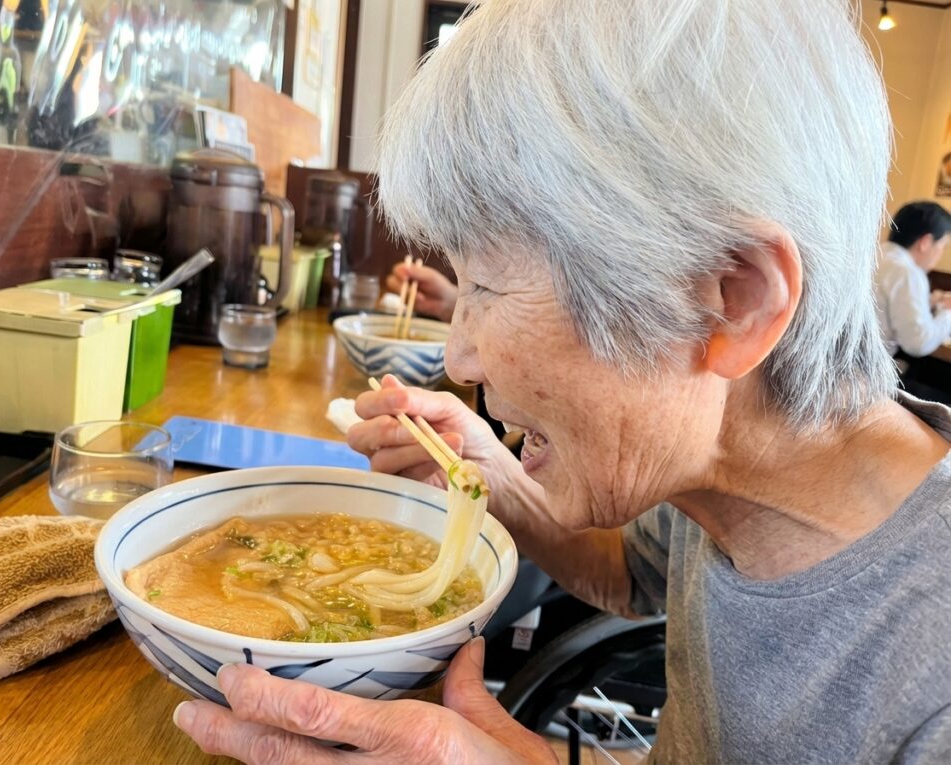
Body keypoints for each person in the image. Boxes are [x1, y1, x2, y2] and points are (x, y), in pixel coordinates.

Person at [172, 1, 951, 763]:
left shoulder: (930, 683)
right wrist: (490, 472)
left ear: (733, 299)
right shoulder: (716, 452)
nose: (460, 356)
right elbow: (623, 574)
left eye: (487, 286)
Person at [874, 201, 951, 358]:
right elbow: (918, 343)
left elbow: (890, 305)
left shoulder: (878, 255)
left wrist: (930, 301)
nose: (940, 253)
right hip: (868, 371)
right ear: (925, 243)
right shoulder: (908, 273)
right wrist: (947, 311)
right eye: (942, 246)